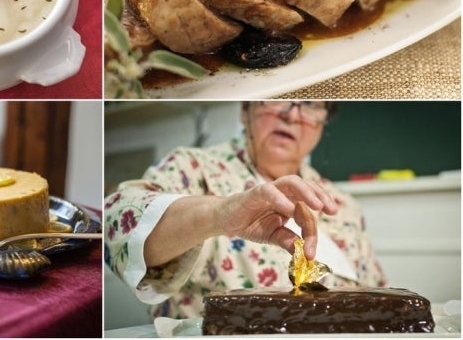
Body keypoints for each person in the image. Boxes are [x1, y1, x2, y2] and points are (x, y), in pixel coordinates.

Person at [104, 101, 386, 320]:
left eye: (312, 105)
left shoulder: (342, 204)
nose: (292, 115)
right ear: (244, 110)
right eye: (277, 100)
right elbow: (115, 219)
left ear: (324, 122)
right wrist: (218, 213)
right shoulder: (195, 168)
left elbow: (378, 297)